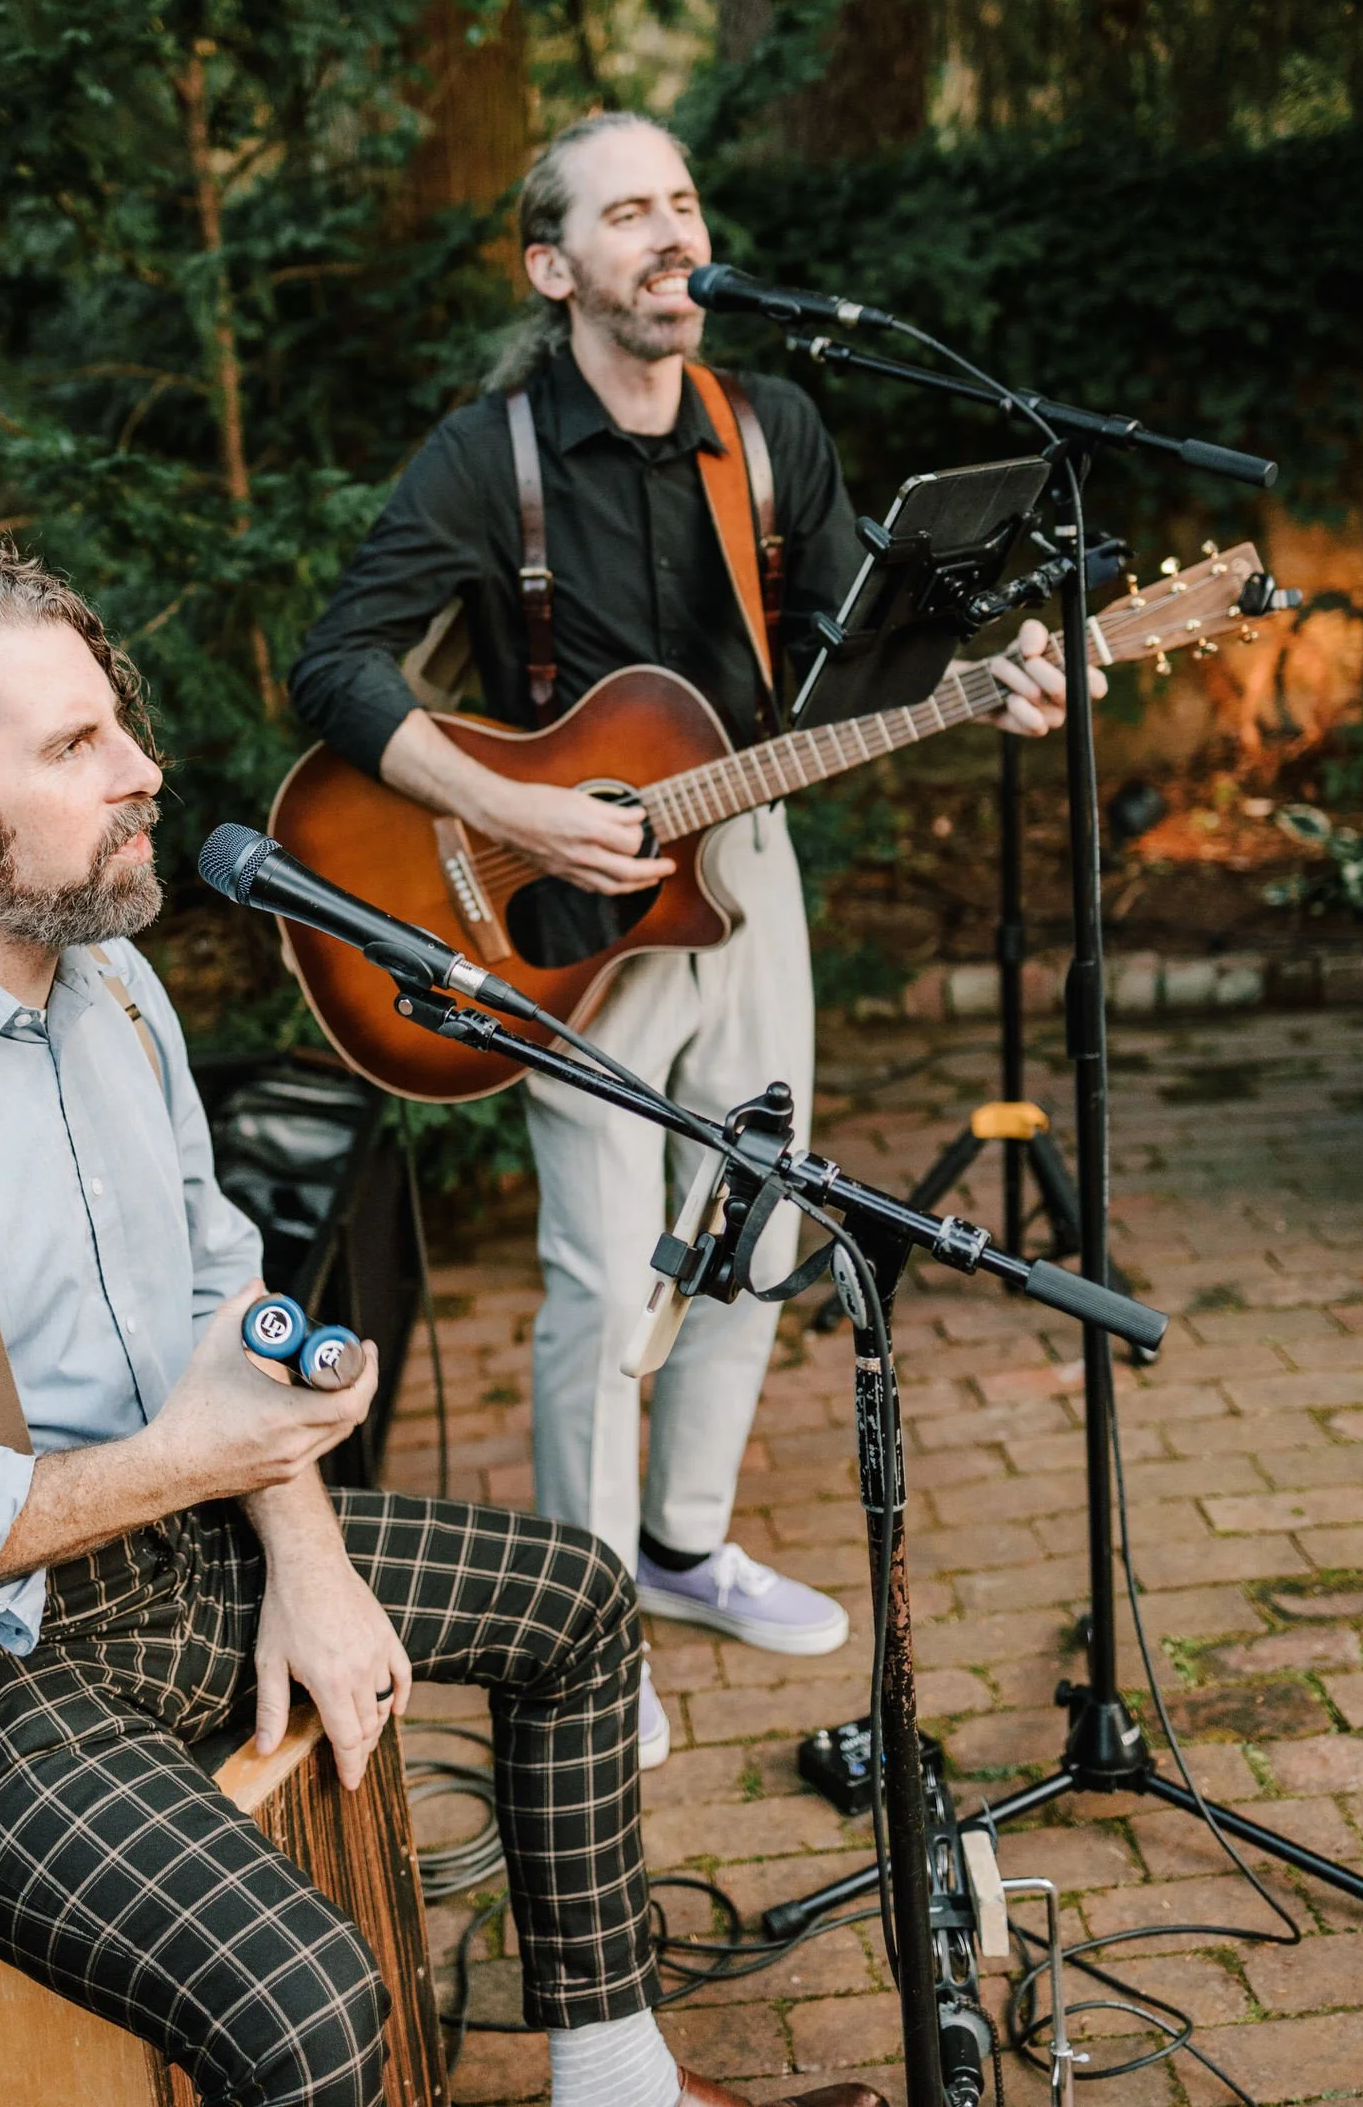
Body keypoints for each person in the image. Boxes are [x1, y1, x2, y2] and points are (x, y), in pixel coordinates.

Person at [0, 547, 881, 2107]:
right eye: (71, 748)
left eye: (118, 725)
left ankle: (619, 2084)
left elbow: (211, 1290)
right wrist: (198, 1461)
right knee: (310, 2014)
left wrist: (302, 1553)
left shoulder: (108, 987)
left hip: (168, 1552)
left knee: (574, 1599)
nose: (145, 769)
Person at [290, 113, 1094, 1768]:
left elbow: (843, 664)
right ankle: (587, 1619)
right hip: (558, 907)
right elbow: (341, 671)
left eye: (683, 203)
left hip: (744, 868)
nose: (670, 235)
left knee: (768, 1200)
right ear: (554, 266)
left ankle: (685, 1541)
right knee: (602, 1264)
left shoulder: (769, 426)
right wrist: (504, 812)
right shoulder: (488, 455)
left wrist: (980, 684)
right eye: (627, 212)